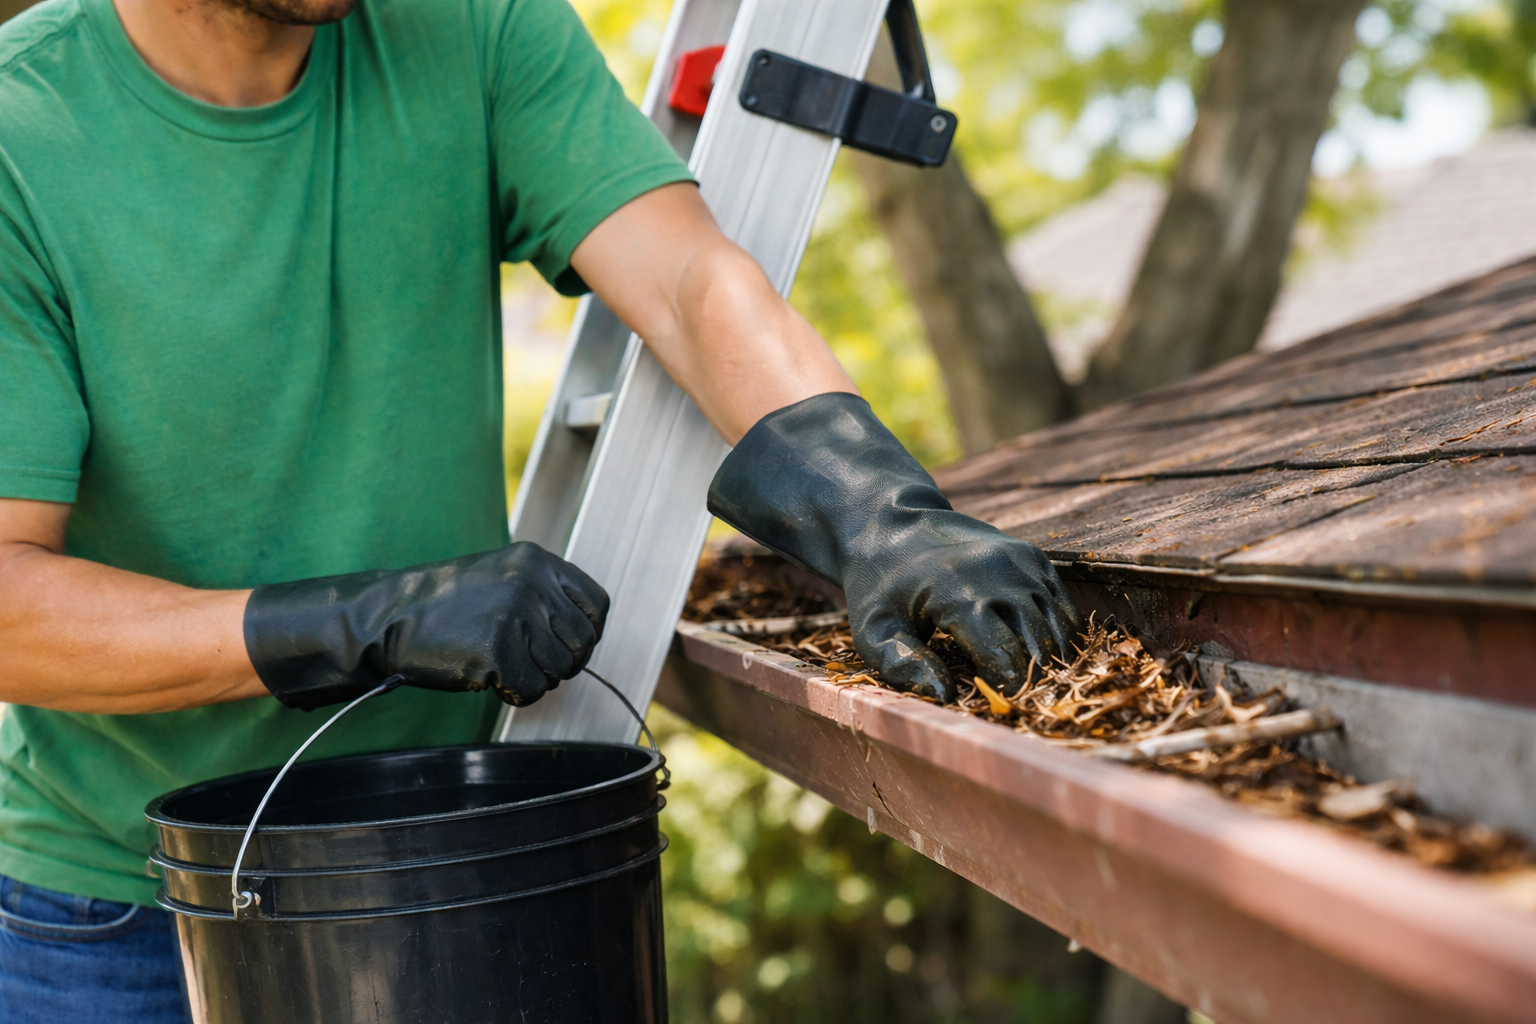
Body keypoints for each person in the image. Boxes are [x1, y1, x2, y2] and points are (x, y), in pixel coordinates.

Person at [0, 0, 1081, 1016]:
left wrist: (877, 506)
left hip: (438, 878)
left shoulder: (472, 22)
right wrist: (364, 618)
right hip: (107, 917)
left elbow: (689, 280)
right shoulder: (24, 129)